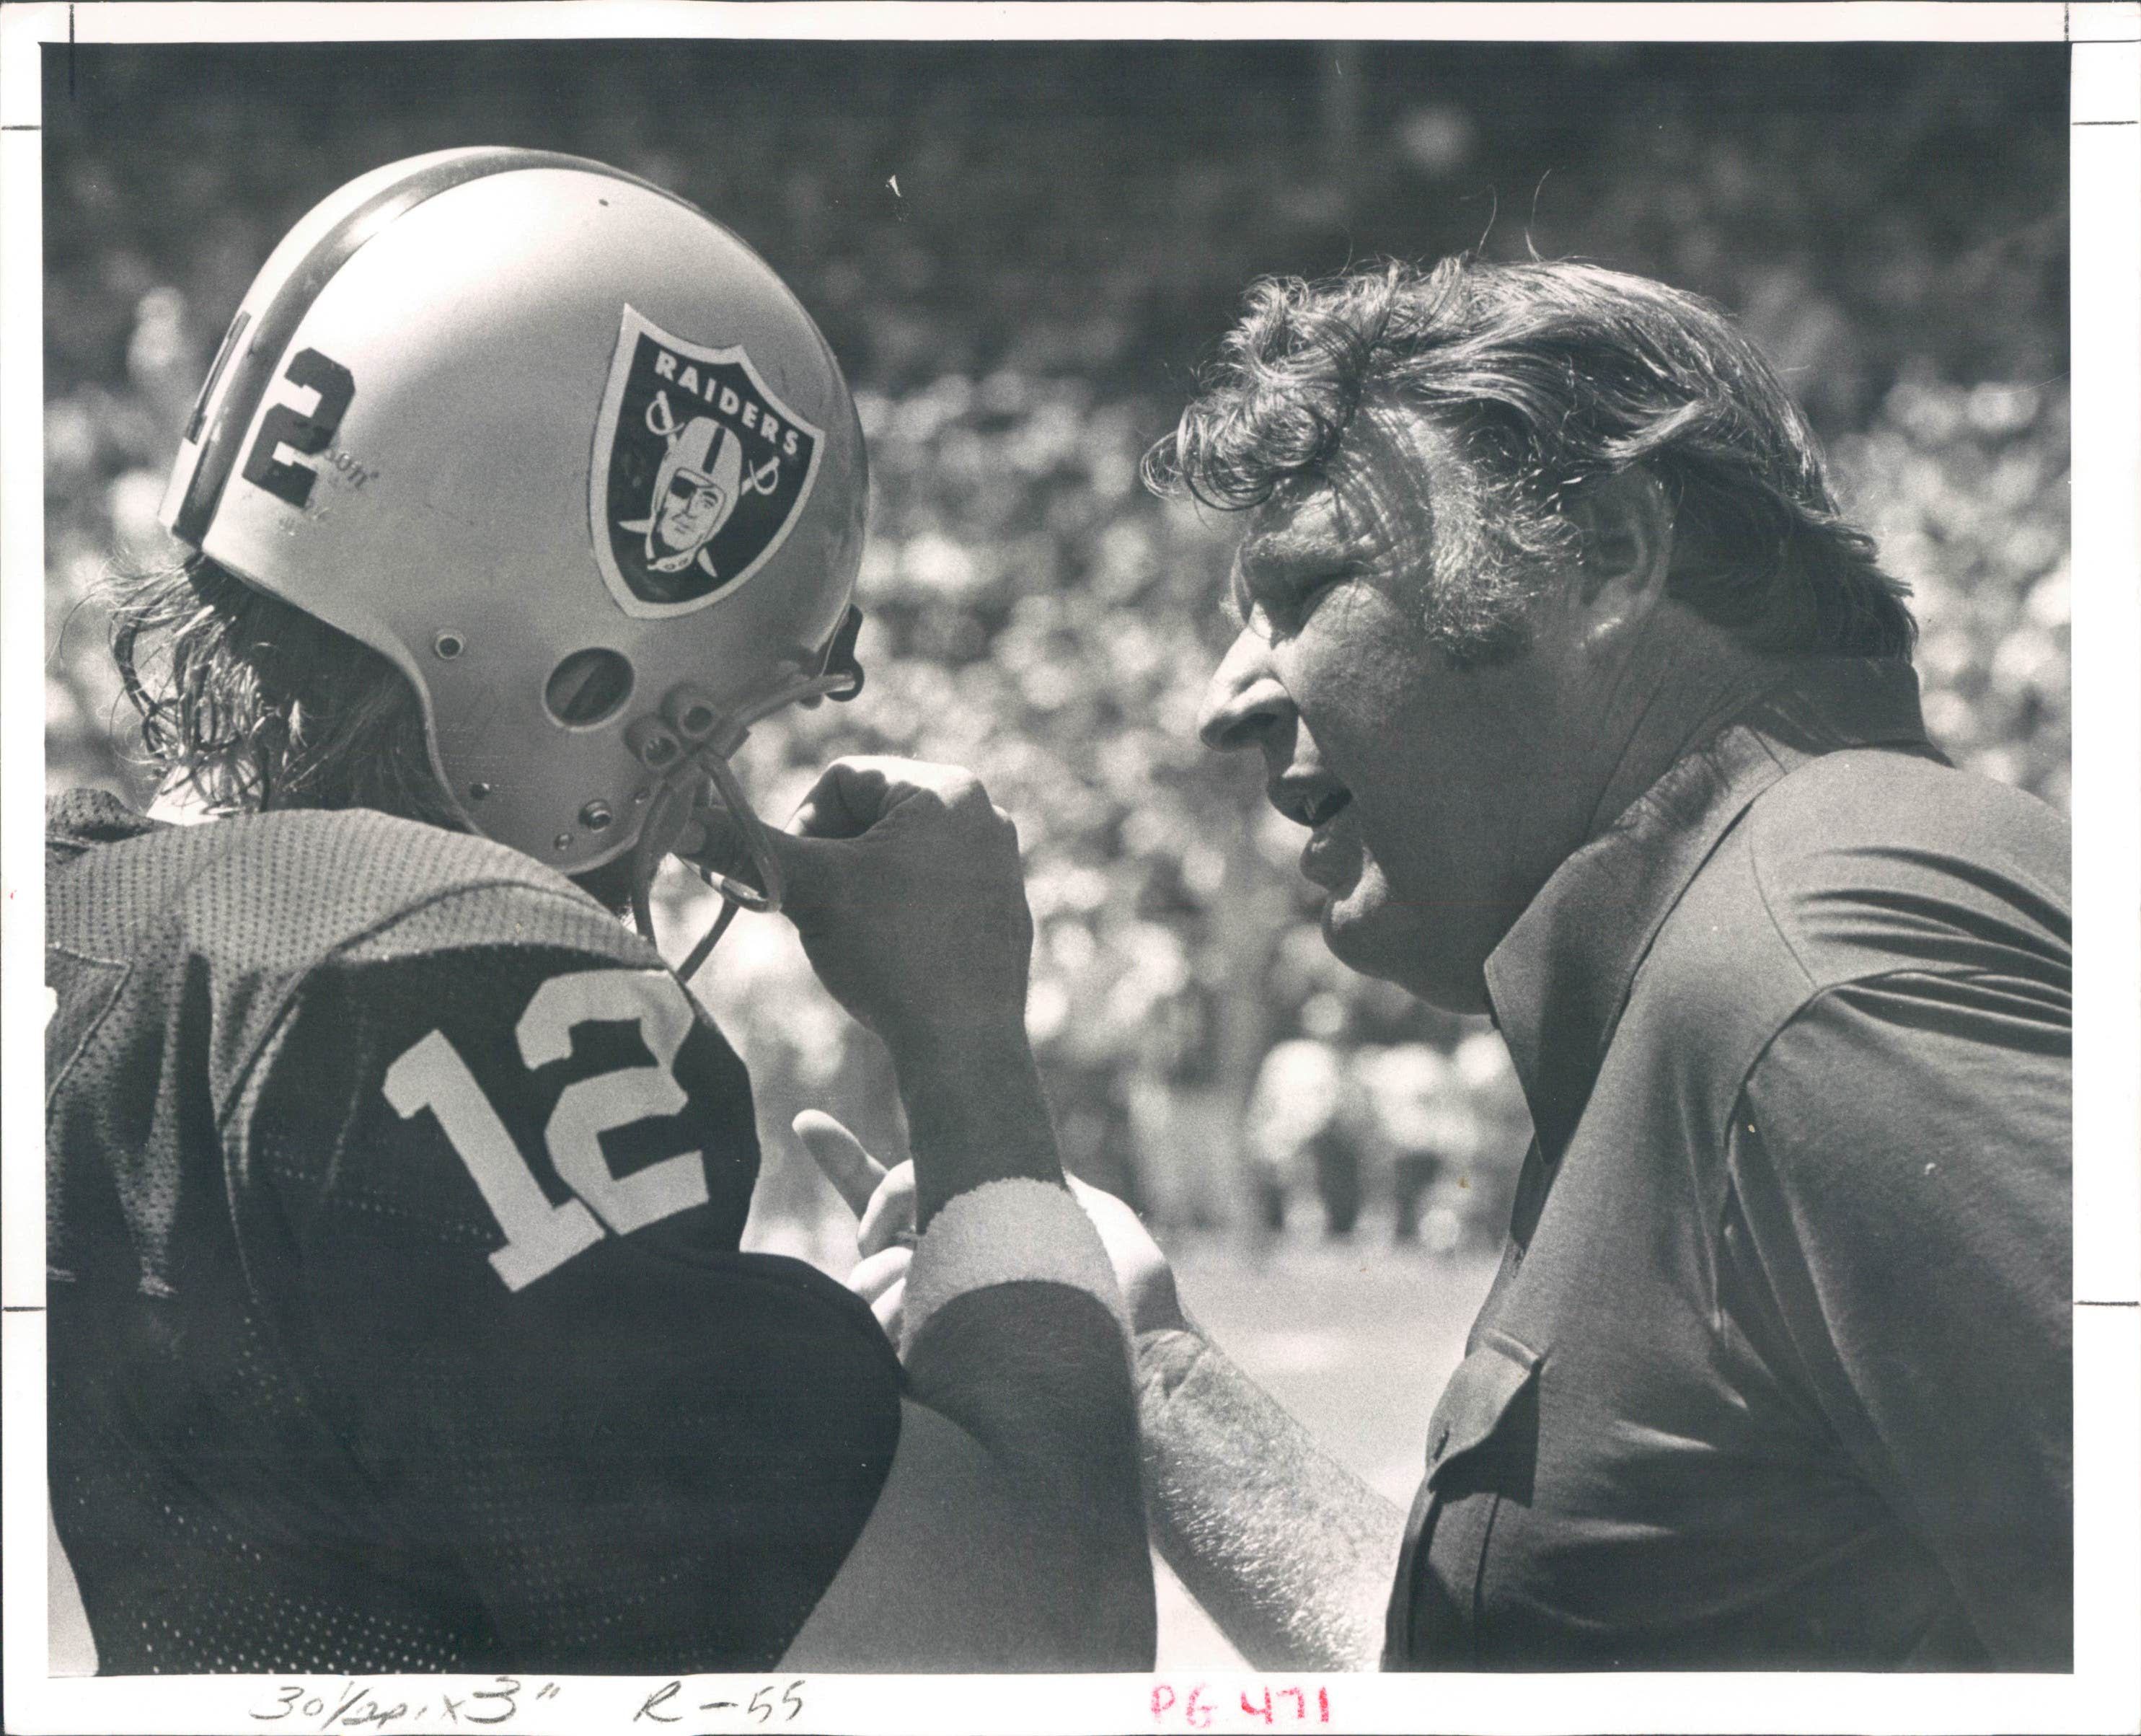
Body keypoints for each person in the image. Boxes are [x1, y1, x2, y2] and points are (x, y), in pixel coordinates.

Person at [811, 256, 2071, 1671]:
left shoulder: (1823, 955)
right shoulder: (1707, 964)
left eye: (1297, 592)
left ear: (1599, 557)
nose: (1218, 701)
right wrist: (1149, 1367)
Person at [45, 147, 1152, 1676]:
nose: (707, 803)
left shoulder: (78, 923)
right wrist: (971, 1063)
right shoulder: (426, 971)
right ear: (582, 676)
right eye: (708, 732)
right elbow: (1039, 1642)